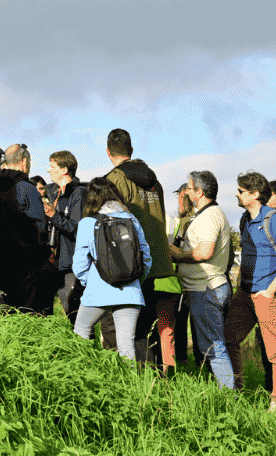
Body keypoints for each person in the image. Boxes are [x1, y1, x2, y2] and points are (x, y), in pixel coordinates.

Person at [99, 130, 177, 377]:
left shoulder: (114, 179)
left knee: (122, 327)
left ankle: (126, 381)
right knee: (144, 328)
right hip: (154, 263)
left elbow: (109, 223)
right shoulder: (155, 181)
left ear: (108, 152)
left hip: (128, 264)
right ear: (130, 150)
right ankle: (151, 381)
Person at [234, 172, 276, 409]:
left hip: (267, 294)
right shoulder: (244, 220)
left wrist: (271, 291)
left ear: (254, 194)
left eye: (241, 191)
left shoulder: (274, 220)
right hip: (244, 294)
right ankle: (235, 391)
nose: (237, 194)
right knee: (229, 339)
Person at [70, 179, 154, 358]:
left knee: (81, 331)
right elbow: (146, 256)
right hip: (130, 290)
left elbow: (79, 263)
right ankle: (130, 385)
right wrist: (136, 279)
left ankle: (86, 375)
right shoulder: (132, 219)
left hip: (98, 290)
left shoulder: (87, 223)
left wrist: (89, 281)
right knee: (126, 344)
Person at [166, 171, 234, 389]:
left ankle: (228, 398)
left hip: (206, 289)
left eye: (189, 187)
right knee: (211, 346)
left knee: (215, 347)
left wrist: (177, 254)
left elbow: (204, 252)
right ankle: (224, 391)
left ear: (200, 192)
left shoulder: (209, 216)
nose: (186, 191)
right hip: (204, 288)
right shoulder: (207, 214)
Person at [0, 143, 51, 313]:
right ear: (24, 162)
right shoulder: (27, 189)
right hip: (23, 267)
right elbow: (39, 229)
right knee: (25, 316)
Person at [42, 152, 85, 319]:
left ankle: (82, 345)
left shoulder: (78, 194)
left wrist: (53, 215)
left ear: (64, 170)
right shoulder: (53, 193)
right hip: (55, 262)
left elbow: (77, 229)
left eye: (52, 167)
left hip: (70, 265)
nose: (48, 170)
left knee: (74, 314)